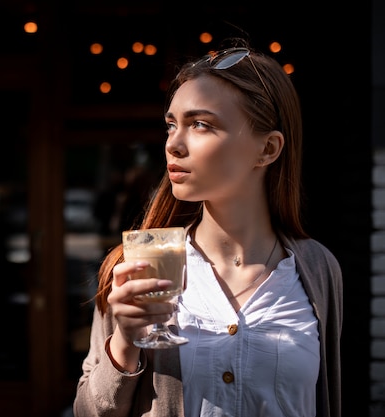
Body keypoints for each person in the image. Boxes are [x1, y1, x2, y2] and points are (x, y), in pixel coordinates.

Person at [73, 39, 343, 417]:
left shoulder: (317, 269)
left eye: (200, 124)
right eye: (171, 125)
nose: (174, 144)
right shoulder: (140, 264)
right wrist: (124, 342)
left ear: (267, 149)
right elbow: (88, 411)